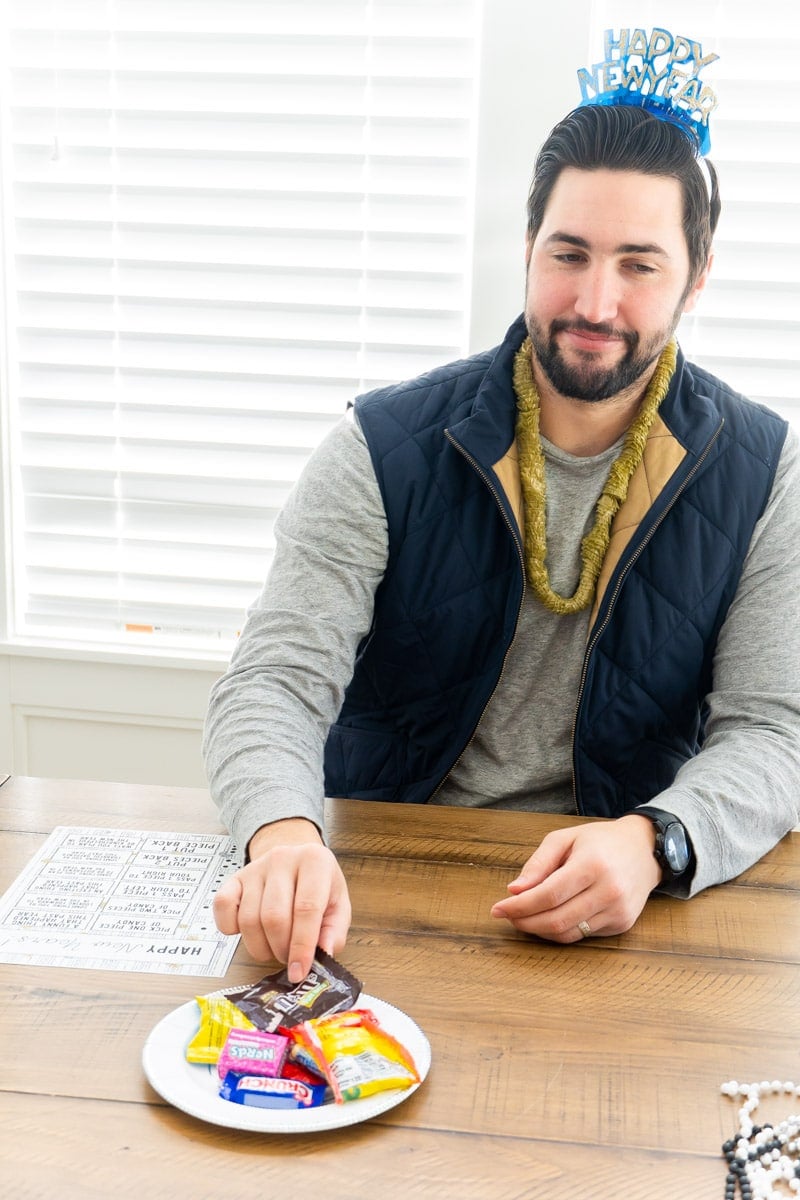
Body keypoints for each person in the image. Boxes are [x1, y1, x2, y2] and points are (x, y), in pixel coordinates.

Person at [203, 62, 800, 984]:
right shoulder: (380, 444)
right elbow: (275, 678)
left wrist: (654, 843)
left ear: (698, 277)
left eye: (639, 265)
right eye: (568, 254)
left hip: (626, 901)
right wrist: (283, 834)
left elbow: (772, 731)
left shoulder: (767, 471)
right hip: (374, 881)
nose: (595, 304)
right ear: (527, 245)